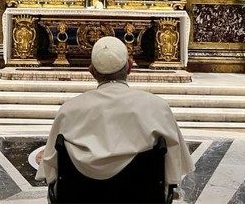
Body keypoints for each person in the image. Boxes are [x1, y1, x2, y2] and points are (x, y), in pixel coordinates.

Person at [36, 36, 194, 187]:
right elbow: (175, 165)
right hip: (143, 197)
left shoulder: (68, 110)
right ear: (130, 67)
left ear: (91, 71)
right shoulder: (157, 107)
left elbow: (50, 167)